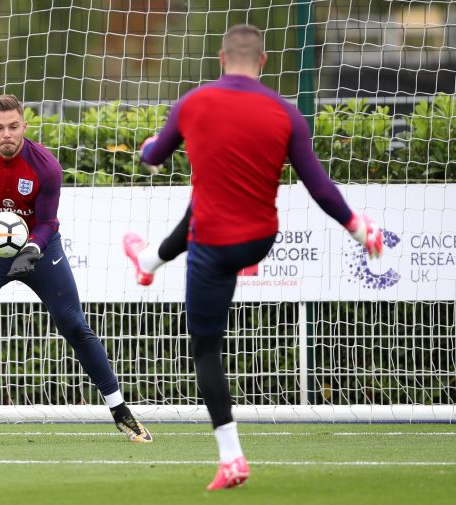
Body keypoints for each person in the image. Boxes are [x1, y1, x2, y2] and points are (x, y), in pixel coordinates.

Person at [123, 24, 383, 490]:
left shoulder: (194, 101)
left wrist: (146, 148)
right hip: (260, 237)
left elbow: (154, 157)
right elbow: (319, 187)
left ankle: (232, 459)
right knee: (203, 199)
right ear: (262, 62)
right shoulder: (286, 113)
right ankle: (147, 263)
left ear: (222, 59)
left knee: (205, 347)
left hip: (215, 243)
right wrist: (359, 228)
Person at [0, 94, 152, 446]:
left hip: (39, 249)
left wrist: (32, 250)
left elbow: (48, 221)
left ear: (25, 126)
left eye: (14, 127)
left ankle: (121, 412)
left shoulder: (46, 166)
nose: (7, 134)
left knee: (74, 325)